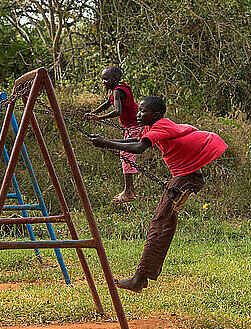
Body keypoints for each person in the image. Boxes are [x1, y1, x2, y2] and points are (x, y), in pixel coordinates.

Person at [88, 96, 227, 292]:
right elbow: (136, 140)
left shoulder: (161, 126)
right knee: (161, 221)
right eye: (138, 111)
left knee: (161, 223)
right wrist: (106, 141)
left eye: (142, 111)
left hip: (187, 177)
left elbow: (139, 148)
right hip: (184, 175)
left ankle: (139, 278)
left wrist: (107, 144)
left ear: (156, 115)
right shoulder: (152, 127)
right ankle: (141, 278)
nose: (137, 115)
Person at [84, 66, 139, 204]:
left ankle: (128, 192)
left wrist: (100, 118)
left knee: (126, 155)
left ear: (115, 79)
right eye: (102, 79)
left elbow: (118, 111)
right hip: (134, 125)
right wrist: (93, 112)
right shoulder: (121, 88)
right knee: (126, 154)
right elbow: (107, 103)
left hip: (134, 126)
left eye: (106, 79)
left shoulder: (117, 92)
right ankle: (130, 190)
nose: (103, 82)